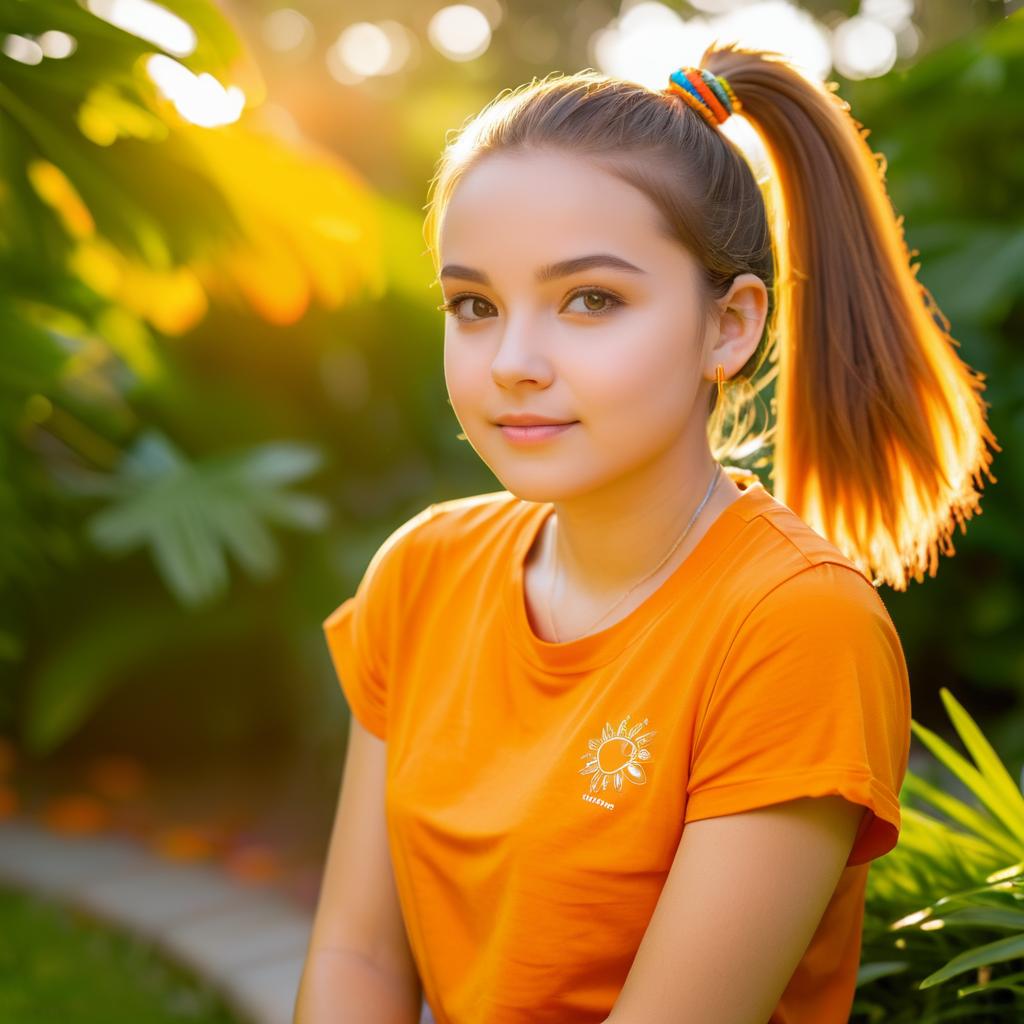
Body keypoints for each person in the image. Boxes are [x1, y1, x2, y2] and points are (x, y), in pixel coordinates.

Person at [294, 42, 999, 1024]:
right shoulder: (423, 569)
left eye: (590, 299)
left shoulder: (794, 625)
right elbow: (357, 955)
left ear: (730, 326)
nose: (512, 360)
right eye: (474, 304)